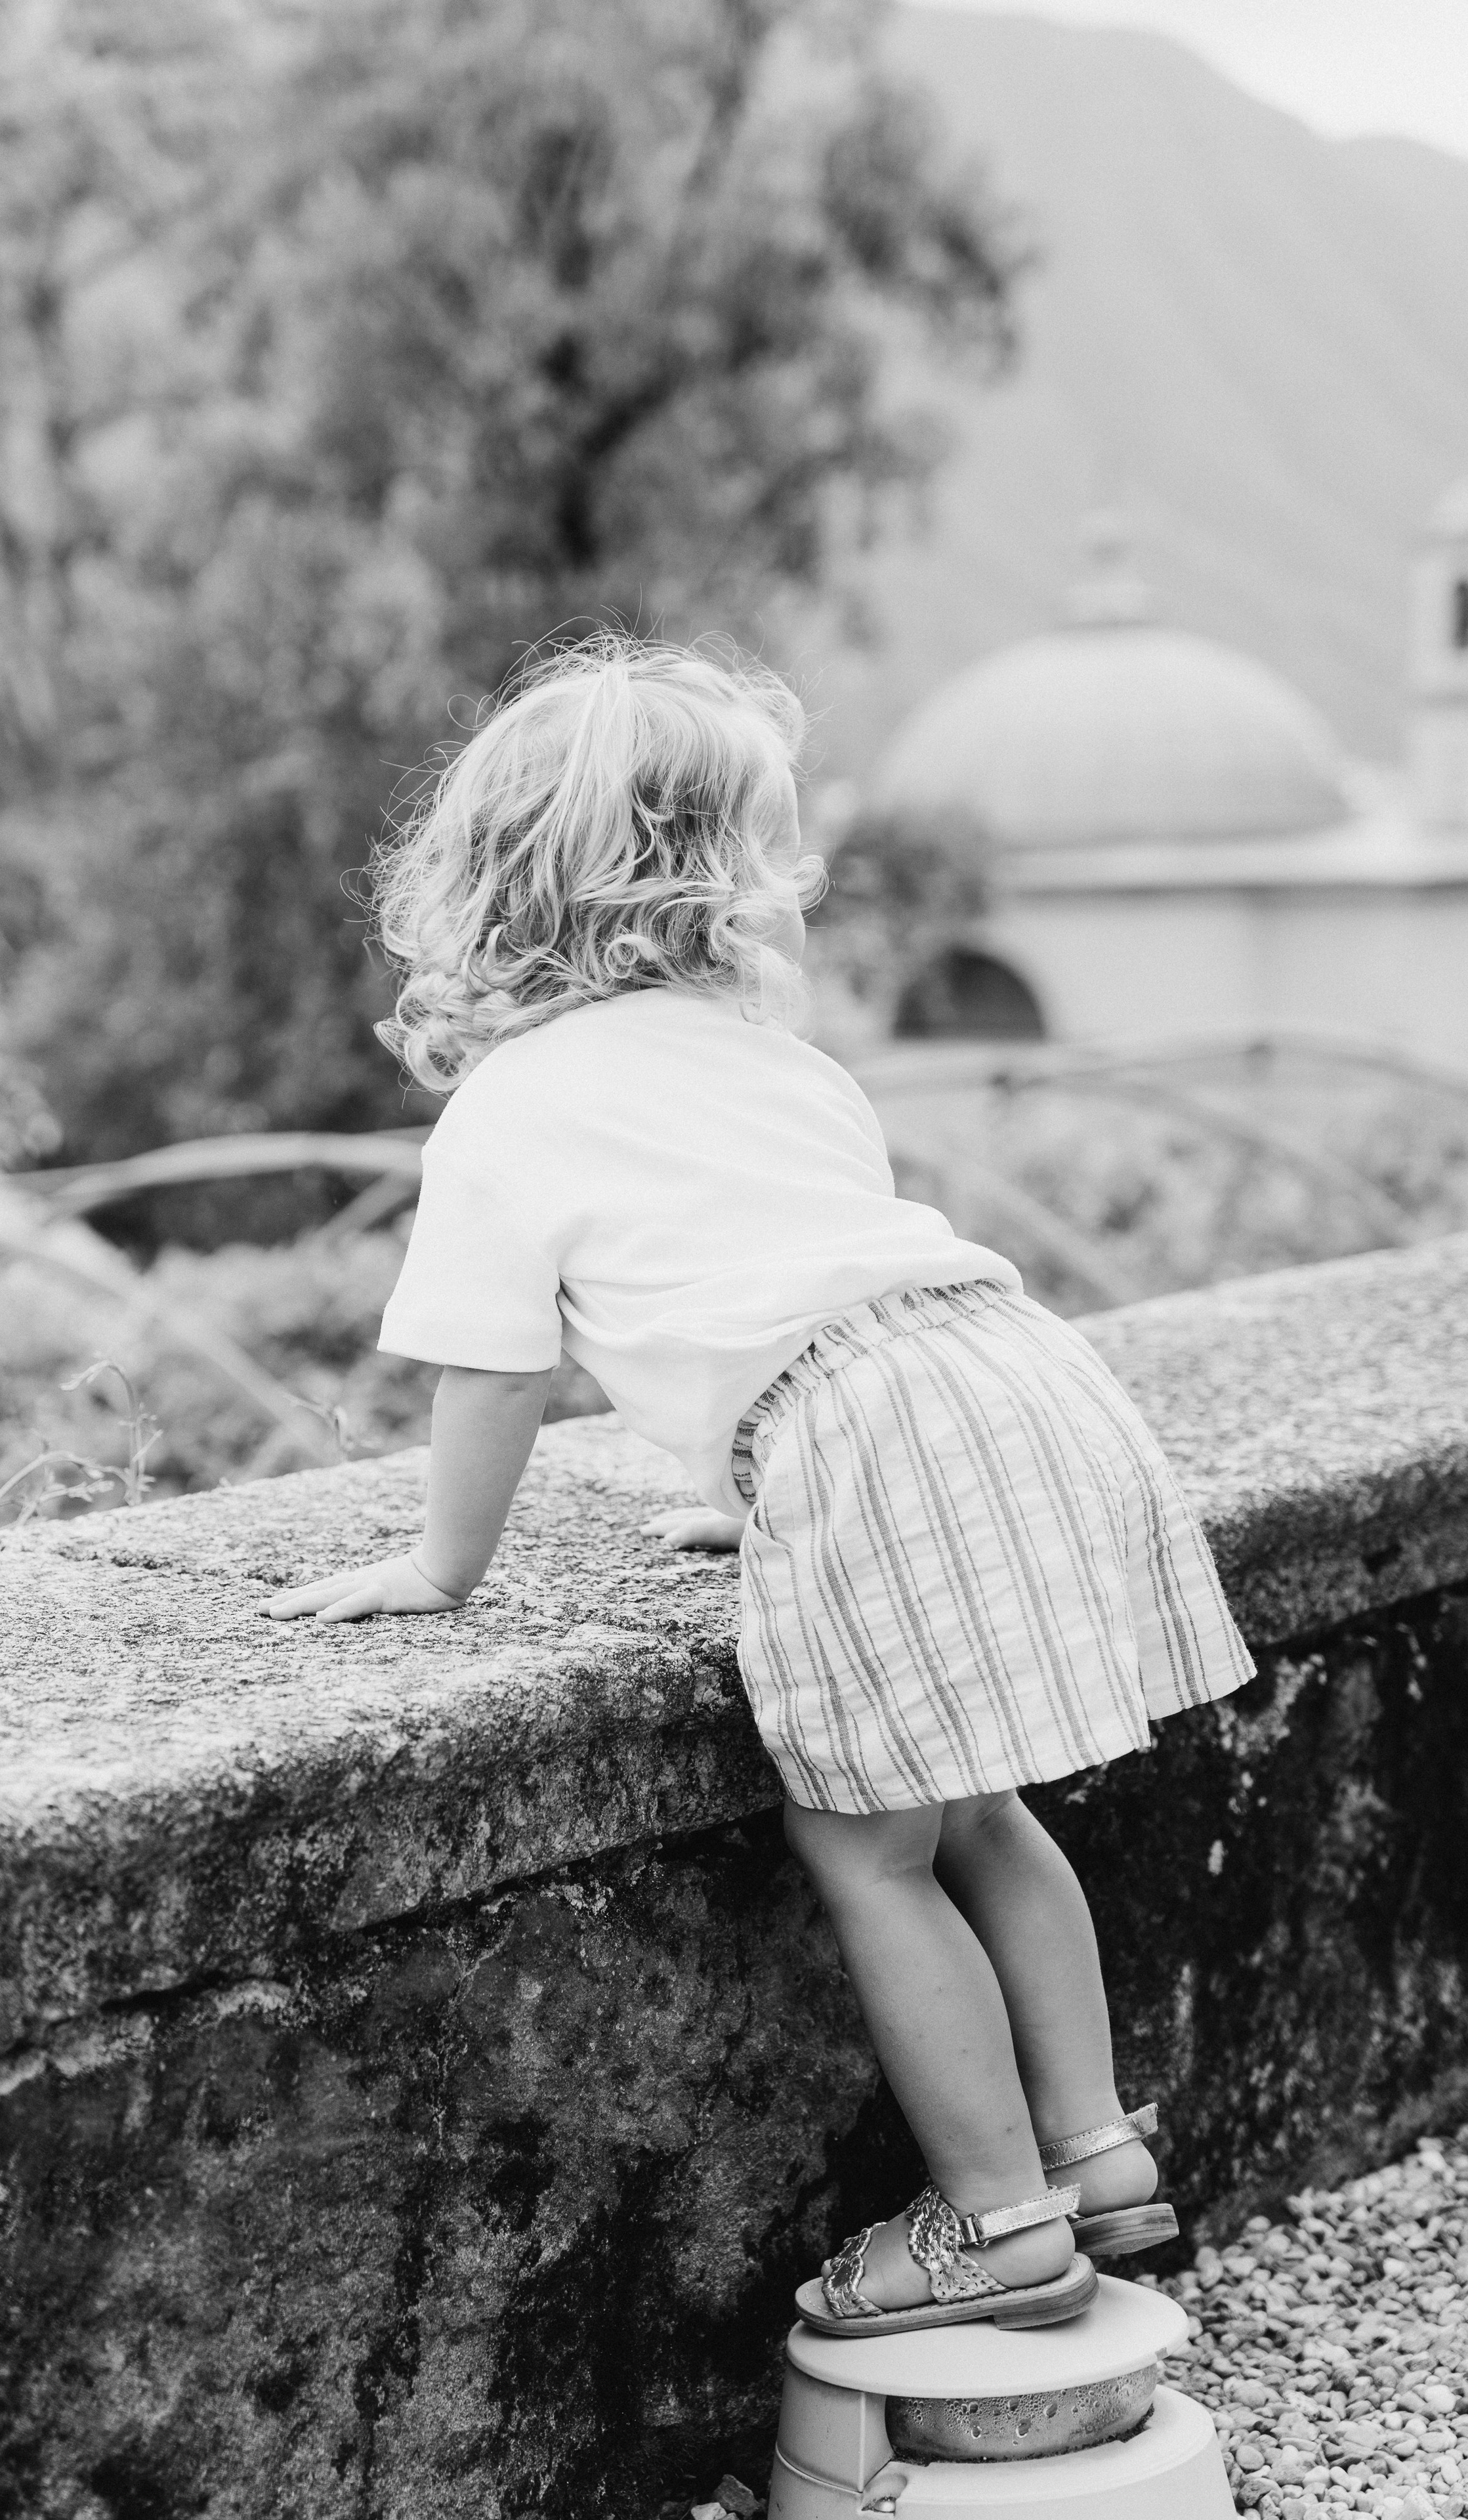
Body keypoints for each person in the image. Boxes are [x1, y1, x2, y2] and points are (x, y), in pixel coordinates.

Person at [262, 637, 1254, 2346]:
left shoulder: (511, 1107)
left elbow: (493, 1371)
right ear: (732, 872)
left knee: (866, 1845)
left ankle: (1000, 2221)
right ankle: (1099, 2152)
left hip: (871, 1436)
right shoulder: (786, 1066)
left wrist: (443, 1566)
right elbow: (811, 1280)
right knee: (988, 1806)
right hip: (1017, 1371)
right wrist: (772, 1499)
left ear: (489, 879)